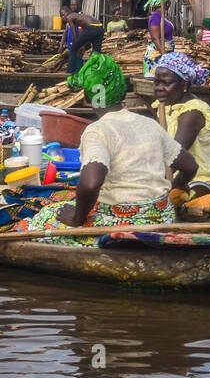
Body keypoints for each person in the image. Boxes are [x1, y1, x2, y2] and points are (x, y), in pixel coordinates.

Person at [11, 54, 199, 245]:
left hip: (121, 224)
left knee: (44, 217)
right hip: (161, 217)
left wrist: (77, 218)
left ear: (88, 98)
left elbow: (91, 183)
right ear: (122, 93)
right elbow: (190, 166)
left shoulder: (97, 131)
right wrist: (178, 185)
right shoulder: (148, 124)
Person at [150, 52, 210, 191]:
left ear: (184, 84)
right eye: (156, 82)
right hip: (175, 178)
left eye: (166, 83)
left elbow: (175, 156)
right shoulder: (163, 106)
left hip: (201, 183)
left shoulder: (193, 112)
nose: (159, 88)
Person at [63, 0, 105, 74]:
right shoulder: (81, 16)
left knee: (73, 49)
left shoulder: (70, 17)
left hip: (92, 28)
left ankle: (70, 72)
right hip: (100, 27)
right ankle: (95, 72)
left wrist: (74, 45)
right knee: (96, 53)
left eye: (63, 15)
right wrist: (84, 46)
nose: (63, 17)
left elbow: (74, 34)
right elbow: (89, 35)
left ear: (67, 12)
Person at [144, 0, 175, 77]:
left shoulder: (162, 16)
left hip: (164, 53)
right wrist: (164, 55)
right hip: (158, 55)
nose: (169, 2)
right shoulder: (156, 16)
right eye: (168, 0)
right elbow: (155, 38)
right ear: (165, 2)